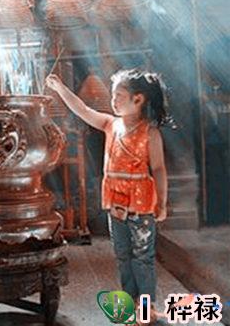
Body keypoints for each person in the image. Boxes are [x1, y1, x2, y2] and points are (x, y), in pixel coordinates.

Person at [46, 69, 171, 325]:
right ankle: (130, 303)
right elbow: (81, 109)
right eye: (113, 95)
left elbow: (158, 169)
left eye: (118, 96)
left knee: (143, 258)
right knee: (122, 255)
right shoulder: (109, 124)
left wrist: (162, 202)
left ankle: (146, 309)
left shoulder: (150, 133)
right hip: (115, 202)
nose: (113, 100)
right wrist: (60, 88)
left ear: (138, 99)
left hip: (141, 204)